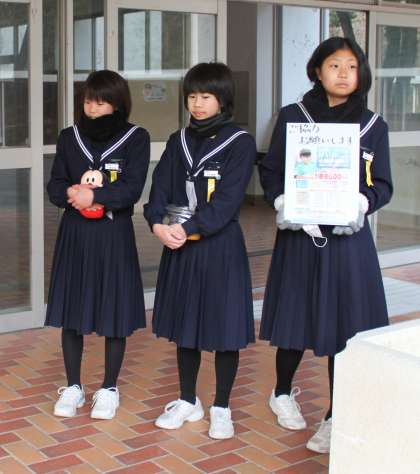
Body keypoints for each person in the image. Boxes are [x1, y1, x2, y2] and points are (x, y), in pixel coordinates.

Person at [259, 37, 393, 453]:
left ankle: (336, 415)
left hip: (347, 242)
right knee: (294, 316)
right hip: (301, 235)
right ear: (317, 71)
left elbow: (383, 184)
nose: (343, 74)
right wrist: (282, 201)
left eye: (352, 66)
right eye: (334, 65)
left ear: (361, 74)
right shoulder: (293, 117)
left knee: (344, 326)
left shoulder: (373, 125)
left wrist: (363, 203)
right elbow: (271, 170)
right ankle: (282, 392)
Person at [144, 62, 256, 440]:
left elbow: (227, 203)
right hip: (180, 247)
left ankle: (222, 406)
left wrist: (187, 228)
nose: (197, 103)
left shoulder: (240, 142)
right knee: (186, 327)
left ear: (222, 99)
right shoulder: (178, 140)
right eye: (192, 96)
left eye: (206, 96)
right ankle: (188, 400)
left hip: (220, 247)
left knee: (225, 328)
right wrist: (157, 224)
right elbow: (159, 188)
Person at [46, 70, 150, 420]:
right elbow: (55, 184)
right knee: (72, 311)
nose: (93, 108)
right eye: (89, 101)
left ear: (117, 104)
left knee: (113, 310)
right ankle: (73, 387)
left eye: (101, 102)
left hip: (113, 233)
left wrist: (96, 196)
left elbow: (132, 188)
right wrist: (71, 193)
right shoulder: (69, 137)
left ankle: (108, 388)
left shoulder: (136, 137)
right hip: (76, 233)